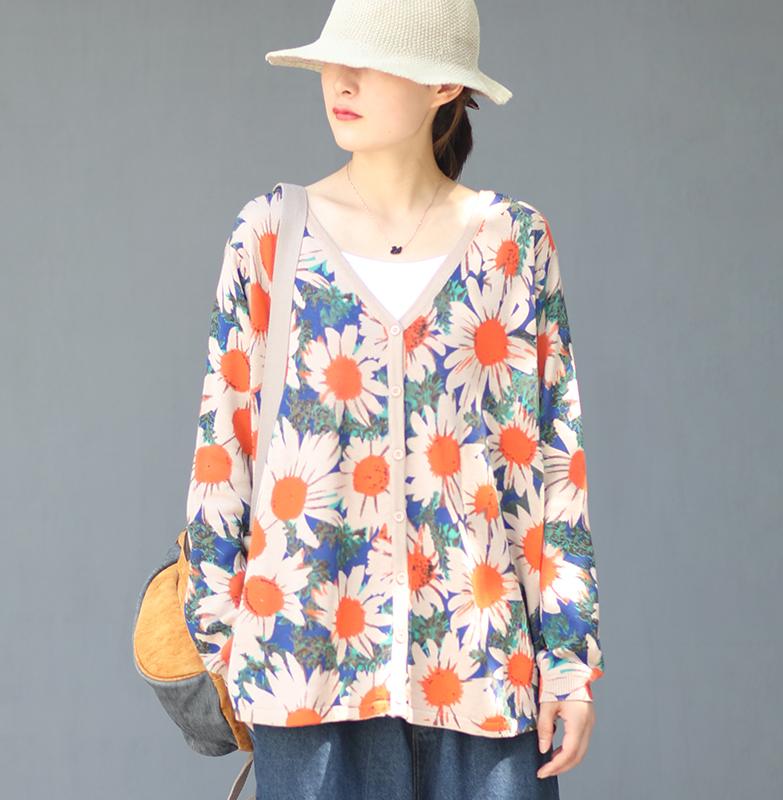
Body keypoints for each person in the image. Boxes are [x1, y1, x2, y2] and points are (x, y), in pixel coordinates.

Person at [182, 2, 604, 798]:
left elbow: (555, 464)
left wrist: (569, 661)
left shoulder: (513, 244)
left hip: (484, 673)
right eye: (332, 61)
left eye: (369, 62)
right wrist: (225, 641)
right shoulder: (270, 234)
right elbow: (223, 447)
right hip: (304, 673)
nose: (339, 81)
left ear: (444, 85)